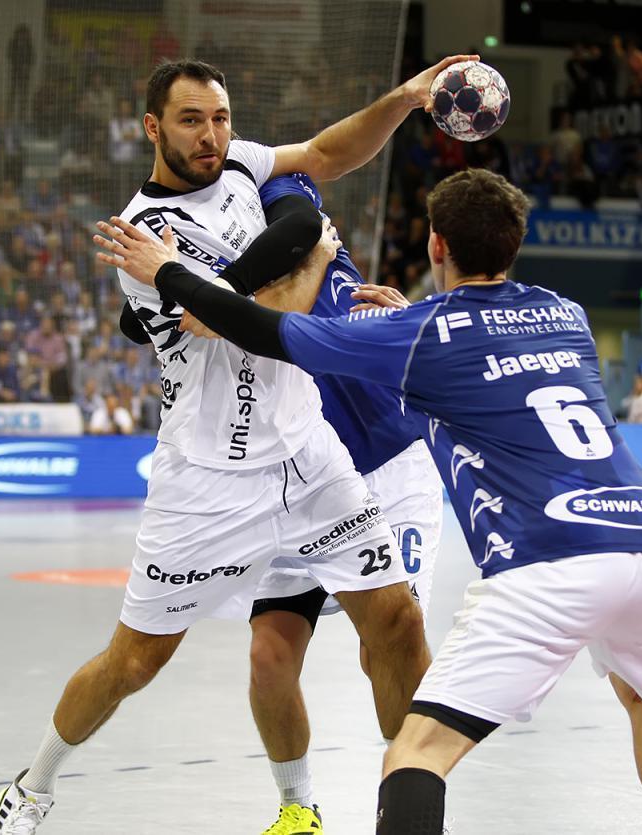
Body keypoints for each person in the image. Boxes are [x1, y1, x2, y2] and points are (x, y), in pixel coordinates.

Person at [103, 167, 642, 835]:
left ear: (436, 245)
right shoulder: (567, 314)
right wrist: (406, 319)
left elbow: (266, 329)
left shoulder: (419, 334)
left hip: (550, 560)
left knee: (414, 754)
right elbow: (485, 347)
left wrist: (167, 272)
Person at [0, 53, 477, 834]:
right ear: (153, 129)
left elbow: (325, 154)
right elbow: (246, 317)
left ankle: (414, 810)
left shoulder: (241, 161)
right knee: (134, 662)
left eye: (220, 118)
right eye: (191, 121)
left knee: (399, 622)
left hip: (309, 457)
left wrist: (406, 99)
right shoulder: (141, 237)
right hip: (208, 479)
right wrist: (314, 256)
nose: (211, 136)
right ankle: (32, 785)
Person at [123, 172, 443, 833]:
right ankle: (298, 807)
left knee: (389, 640)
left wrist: (404, 315)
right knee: (269, 656)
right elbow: (153, 320)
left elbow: (301, 218)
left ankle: (414, 804)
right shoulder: (231, 279)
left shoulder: (304, 240)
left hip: (389, 465)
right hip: (296, 475)